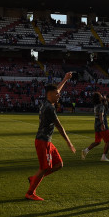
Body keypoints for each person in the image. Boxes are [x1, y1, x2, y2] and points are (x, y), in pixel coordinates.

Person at [26, 72, 76, 201]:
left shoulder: (47, 101)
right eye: (57, 94)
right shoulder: (49, 108)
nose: (59, 95)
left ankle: (34, 179)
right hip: (43, 141)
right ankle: (30, 193)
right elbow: (59, 127)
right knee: (44, 168)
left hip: (47, 141)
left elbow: (56, 89)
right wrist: (69, 142)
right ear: (50, 94)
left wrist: (65, 78)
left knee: (59, 164)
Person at [81, 92, 109, 162]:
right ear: (99, 98)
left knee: (97, 141)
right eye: (101, 96)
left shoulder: (96, 105)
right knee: (108, 141)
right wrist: (102, 124)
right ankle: (104, 157)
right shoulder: (101, 105)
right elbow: (101, 114)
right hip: (101, 125)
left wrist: (104, 100)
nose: (102, 96)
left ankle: (86, 150)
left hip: (96, 125)